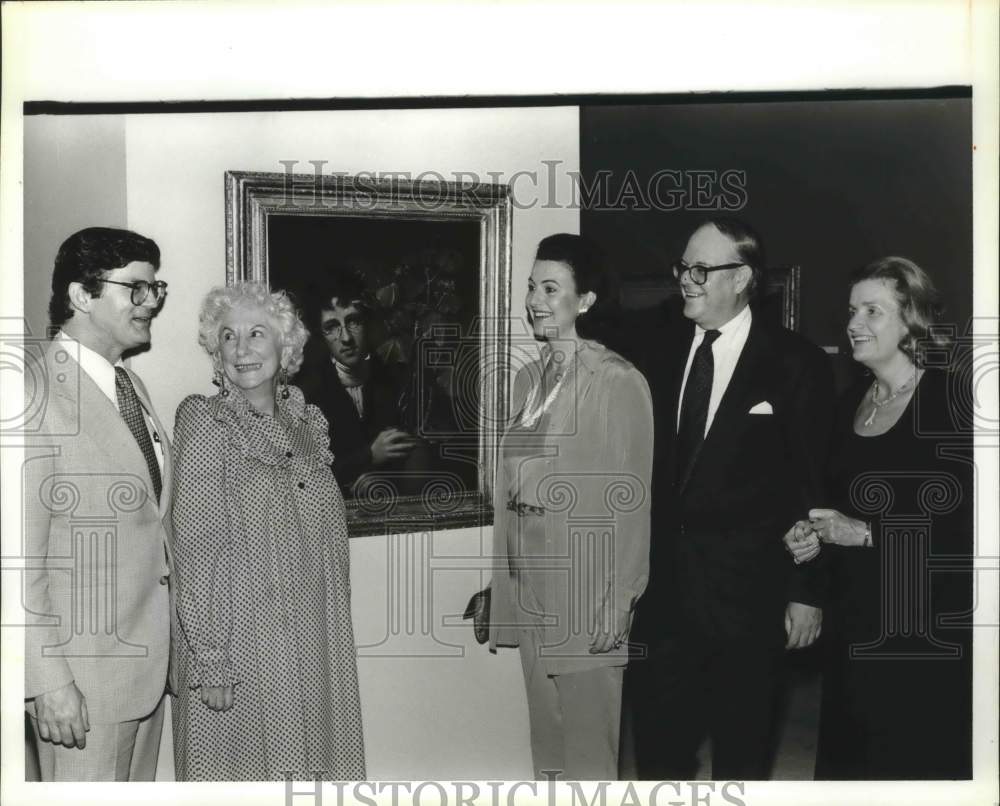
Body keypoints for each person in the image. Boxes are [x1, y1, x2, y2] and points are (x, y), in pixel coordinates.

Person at [626, 218, 835, 780]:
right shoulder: (657, 350)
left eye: (701, 269)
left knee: (742, 758)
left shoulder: (796, 363)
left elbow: (813, 486)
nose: (685, 279)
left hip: (750, 602)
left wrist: (806, 592)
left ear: (741, 277)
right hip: (662, 599)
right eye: (683, 267)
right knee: (659, 757)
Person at [783, 257, 972, 779]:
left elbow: (969, 529)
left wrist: (865, 533)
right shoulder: (850, 402)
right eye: (851, 310)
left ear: (912, 319)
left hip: (926, 630)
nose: (853, 323)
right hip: (854, 625)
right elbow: (833, 505)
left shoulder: (953, 400)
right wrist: (811, 536)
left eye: (872, 311)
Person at [170, 283, 365, 781]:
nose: (241, 349)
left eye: (256, 333)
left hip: (313, 638)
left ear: (286, 346)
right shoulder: (207, 424)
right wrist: (211, 657)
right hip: (243, 646)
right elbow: (197, 548)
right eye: (228, 336)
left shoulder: (307, 424)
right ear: (216, 351)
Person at [487, 234, 654, 780]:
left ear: (585, 300)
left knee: (588, 753)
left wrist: (621, 598)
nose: (535, 300)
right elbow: (515, 489)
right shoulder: (527, 378)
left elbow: (633, 501)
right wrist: (501, 585)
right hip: (529, 586)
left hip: (585, 589)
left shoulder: (617, 380)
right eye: (531, 287)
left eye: (551, 288)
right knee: (549, 752)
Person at [23, 227, 174, 781]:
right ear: (81, 296)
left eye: (156, 288)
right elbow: (17, 562)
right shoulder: (33, 396)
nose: (151, 302)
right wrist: (46, 683)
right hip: (80, 687)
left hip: (143, 674)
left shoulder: (131, 388)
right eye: (136, 288)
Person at [296, 275, 416, 496]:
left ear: (367, 323)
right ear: (321, 335)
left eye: (353, 321)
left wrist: (383, 479)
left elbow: (413, 456)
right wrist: (369, 457)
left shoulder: (396, 380)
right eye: (332, 327)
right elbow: (303, 473)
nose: (346, 338)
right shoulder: (308, 394)